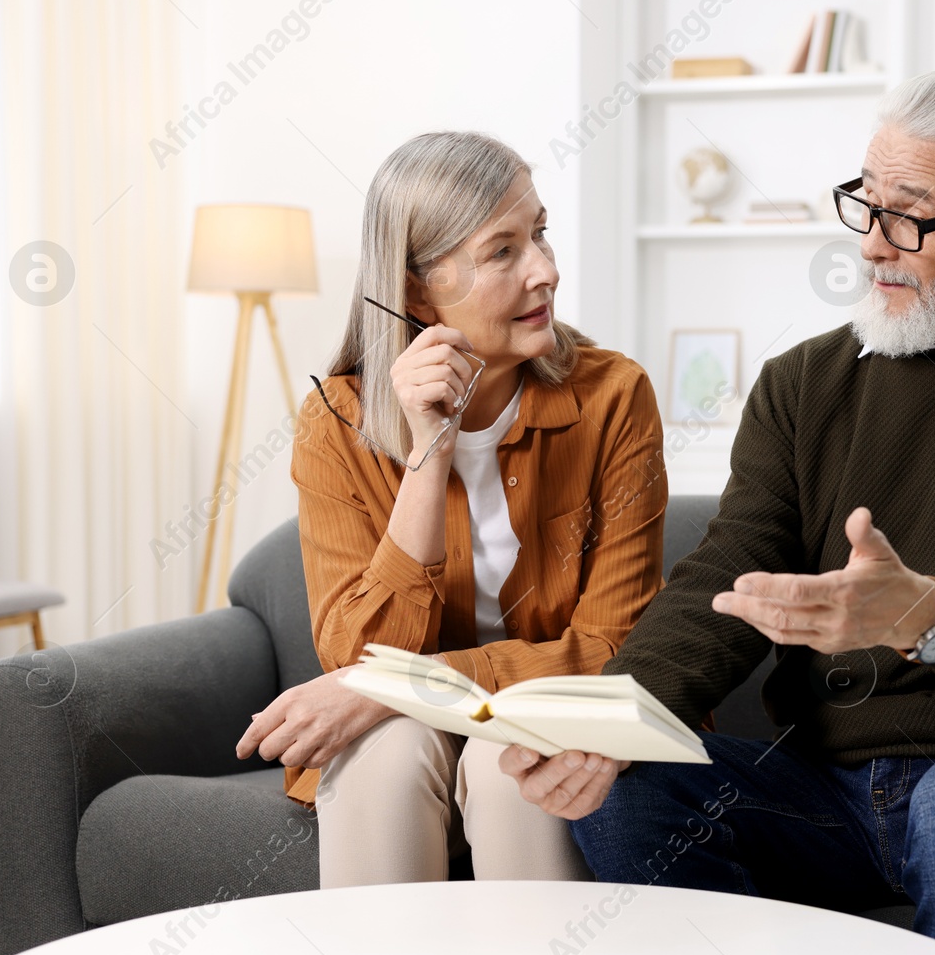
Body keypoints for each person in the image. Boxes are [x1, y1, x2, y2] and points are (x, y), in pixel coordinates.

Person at [500, 66, 935, 955]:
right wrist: (611, 721)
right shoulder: (803, 384)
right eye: (865, 203)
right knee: (629, 782)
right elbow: (722, 581)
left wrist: (929, 613)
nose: (872, 245)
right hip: (831, 787)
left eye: (911, 214)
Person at [236, 131, 668, 887]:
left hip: (557, 713)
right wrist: (429, 453)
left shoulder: (613, 396)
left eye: (538, 232)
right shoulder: (335, 421)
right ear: (413, 291)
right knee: (382, 753)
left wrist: (414, 683)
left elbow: (613, 647)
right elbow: (358, 654)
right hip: (403, 729)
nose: (547, 270)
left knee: (512, 765)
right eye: (502, 251)